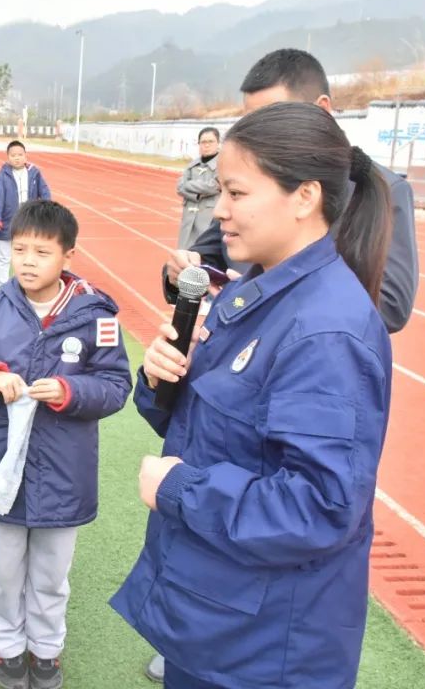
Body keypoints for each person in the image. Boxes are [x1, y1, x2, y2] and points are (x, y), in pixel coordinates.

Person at [113, 102, 393, 689]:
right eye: (220, 191)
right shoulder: (258, 290)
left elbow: (318, 508)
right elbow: (220, 428)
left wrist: (180, 489)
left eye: (237, 193)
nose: (220, 210)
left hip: (263, 650)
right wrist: (164, 380)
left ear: (304, 196)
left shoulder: (326, 330)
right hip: (216, 615)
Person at [0, 199, 132, 689]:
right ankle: (8, 646)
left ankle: (46, 649)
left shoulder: (96, 316)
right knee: (3, 574)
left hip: (65, 473)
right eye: (19, 250)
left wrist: (69, 391)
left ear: (68, 255)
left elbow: (116, 385)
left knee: (51, 577)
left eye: (42, 252)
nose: (28, 261)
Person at [162, 48, 417, 335]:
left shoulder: (382, 188)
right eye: (249, 121)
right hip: (242, 342)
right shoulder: (247, 185)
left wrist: (262, 295)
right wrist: (181, 271)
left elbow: (390, 306)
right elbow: (208, 253)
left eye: (273, 116)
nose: (256, 133)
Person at [0, 141, 51, 290]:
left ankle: (21, 287)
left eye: (20, 155)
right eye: (13, 155)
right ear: (8, 157)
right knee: (3, 257)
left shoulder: (34, 172)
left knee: (25, 257)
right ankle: (1, 288)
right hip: (7, 222)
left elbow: (45, 192)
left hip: (28, 222)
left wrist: (46, 213)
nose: (17, 158)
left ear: (25, 156)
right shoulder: (3, 175)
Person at [176, 128, 221, 250]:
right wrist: (197, 195)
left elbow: (214, 186)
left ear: (218, 143)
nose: (206, 145)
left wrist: (189, 185)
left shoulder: (222, 164)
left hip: (209, 218)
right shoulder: (192, 165)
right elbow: (179, 187)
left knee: (206, 252)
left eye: (210, 141)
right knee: (184, 252)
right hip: (189, 219)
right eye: (203, 142)